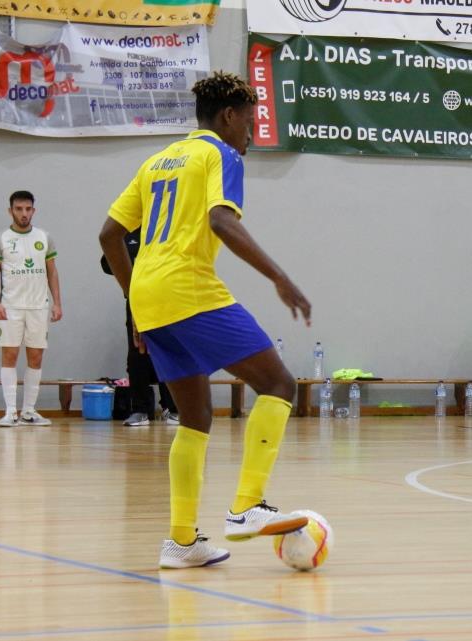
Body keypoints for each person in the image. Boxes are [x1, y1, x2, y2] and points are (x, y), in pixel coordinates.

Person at [100, 71, 313, 569]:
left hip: (150, 299)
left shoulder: (157, 160)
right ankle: (246, 507)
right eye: (251, 121)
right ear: (229, 116)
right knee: (279, 384)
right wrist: (280, 277)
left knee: (194, 418)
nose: (252, 133)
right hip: (188, 289)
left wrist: (136, 304)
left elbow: (110, 235)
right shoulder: (222, 154)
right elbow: (222, 219)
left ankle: (181, 542)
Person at [0, 190, 62, 427]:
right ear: (11, 211)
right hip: (11, 307)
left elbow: (52, 271)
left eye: (28, 209)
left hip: (39, 307)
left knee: (36, 357)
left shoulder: (44, 237)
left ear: (33, 210)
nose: (24, 213)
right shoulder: (0, 239)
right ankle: (10, 412)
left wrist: (57, 302)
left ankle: (29, 411)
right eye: (19, 209)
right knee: (9, 355)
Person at [100, 230, 179, 427]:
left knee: (166, 353)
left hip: (167, 300)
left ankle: (172, 408)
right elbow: (107, 262)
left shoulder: (167, 231)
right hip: (137, 302)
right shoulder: (126, 234)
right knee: (137, 354)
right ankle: (140, 410)